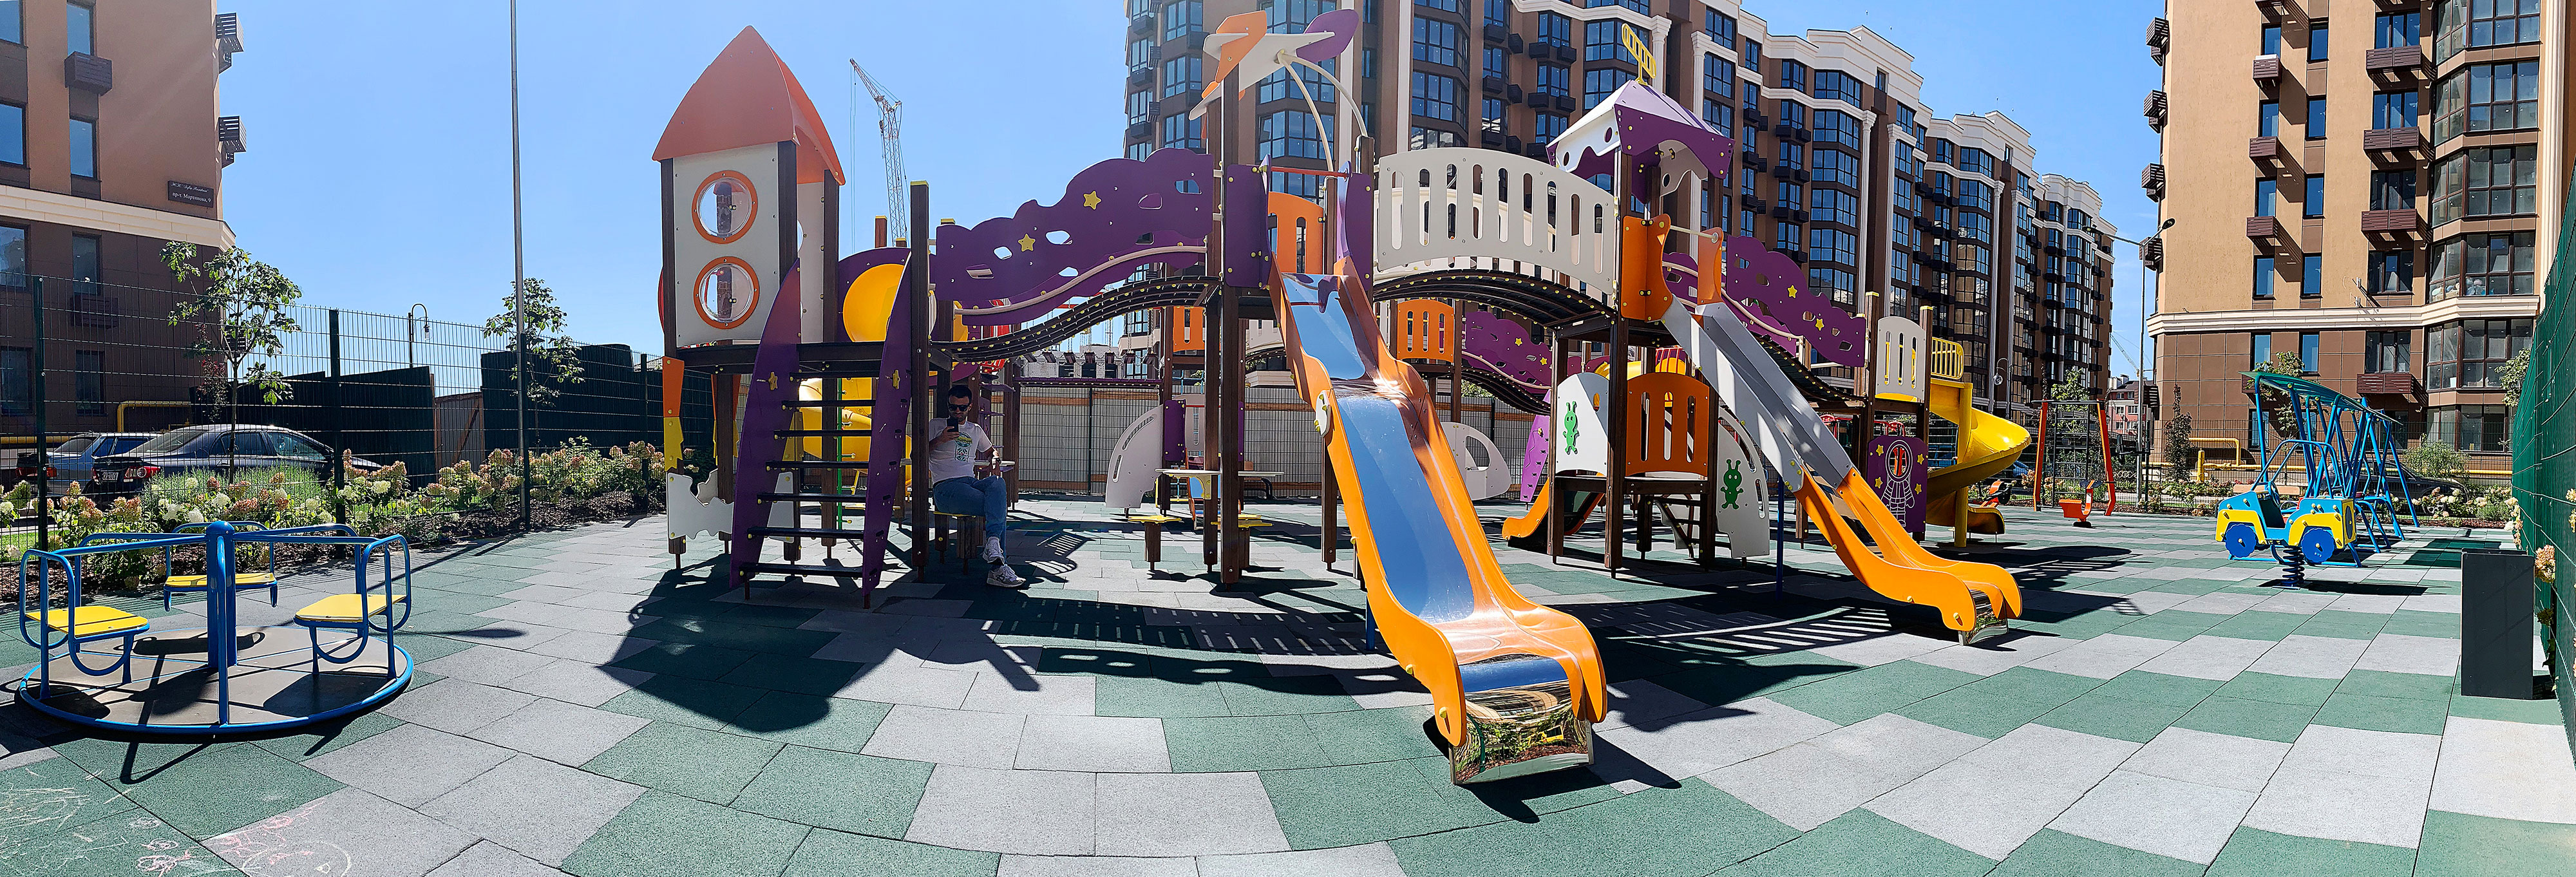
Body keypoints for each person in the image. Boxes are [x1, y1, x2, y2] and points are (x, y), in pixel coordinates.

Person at [929, 385, 1021, 588]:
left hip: (969, 482)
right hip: (946, 488)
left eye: (962, 407)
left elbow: (991, 451)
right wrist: (940, 440)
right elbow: (917, 453)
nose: (957, 411)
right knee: (997, 507)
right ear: (948, 406)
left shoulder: (975, 430)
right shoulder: (935, 425)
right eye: (953, 407)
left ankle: (993, 545)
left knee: (997, 482)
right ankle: (997, 566)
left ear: (970, 407)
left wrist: (995, 459)